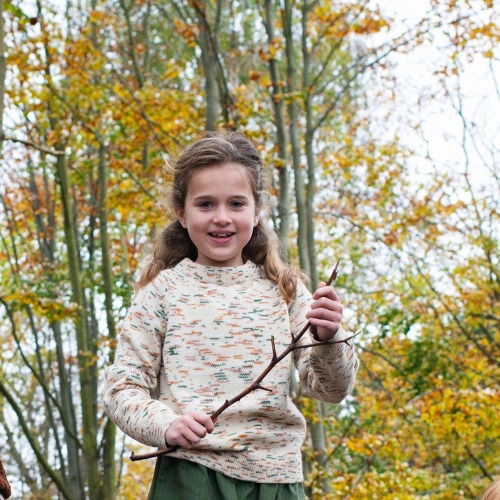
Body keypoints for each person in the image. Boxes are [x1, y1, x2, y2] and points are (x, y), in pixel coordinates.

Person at [103, 131, 359, 500]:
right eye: (205, 204)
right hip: (191, 474)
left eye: (236, 204)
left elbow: (333, 389)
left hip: (278, 480)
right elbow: (121, 389)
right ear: (181, 212)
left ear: (257, 212)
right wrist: (166, 424)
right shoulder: (162, 293)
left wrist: (328, 338)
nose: (221, 217)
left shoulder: (284, 290)